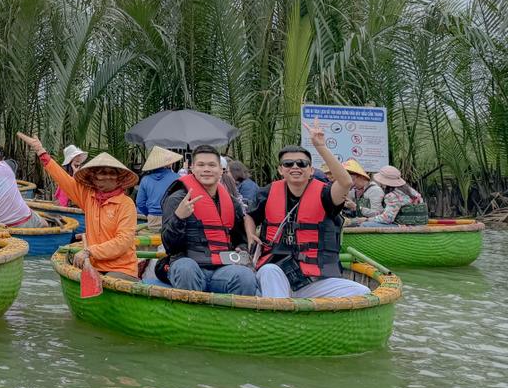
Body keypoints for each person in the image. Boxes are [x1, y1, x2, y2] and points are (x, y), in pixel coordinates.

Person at [250, 121, 371, 299]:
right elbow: (250, 216)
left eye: (302, 163)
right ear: (280, 170)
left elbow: (345, 182)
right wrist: (250, 232)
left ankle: (289, 307)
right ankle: (280, 318)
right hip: (277, 274)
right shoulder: (267, 192)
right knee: (269, 270)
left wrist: (320, 146)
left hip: (312, 280)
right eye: (288, 164)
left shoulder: (325, 194)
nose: (295, 167)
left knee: (362, 292)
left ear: (311, 169)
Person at [19, 133, 139, 279]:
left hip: (121, 268)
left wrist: (89, 251)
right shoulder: (89, 196)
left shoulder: (126, 204)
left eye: (108, 174)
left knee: (108, 281)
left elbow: (123, 242)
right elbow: (63, 179)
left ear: (118, 179)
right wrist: (41, 151)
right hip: (94, 264)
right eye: (98, 174)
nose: (102, 178)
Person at [158, 145, 257, 295]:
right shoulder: (177, 199)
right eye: (201, 165)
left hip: (222, 268)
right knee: (186, 269)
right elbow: (170, 246)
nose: (206, 169)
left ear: (221, 170)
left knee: (246, 276)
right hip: (188, 264)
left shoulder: (233, 203)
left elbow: (240, 240)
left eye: (212, 165)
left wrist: (241, 248)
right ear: (192, 168)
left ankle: (234, 318)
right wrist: (179, 218)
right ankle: (191, 317)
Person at [0, 146, 43, 228]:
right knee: (45, 223)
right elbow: (13, 163)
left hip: (3, 226)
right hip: (25, 217)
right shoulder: (5, 166)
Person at [359, 166, 427, 226]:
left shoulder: (392, 196)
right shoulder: (411, 190)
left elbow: (387, 219)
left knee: (364, 225)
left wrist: (367, 219)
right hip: (418, 224)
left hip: (403, 226)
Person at [135, 146, 181, 224]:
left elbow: (140, 203)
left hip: (153, 217)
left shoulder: (145, 179)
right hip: (172, 216)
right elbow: (181, 199)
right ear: (168, 163)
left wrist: (149, 213)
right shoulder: (177, 178)